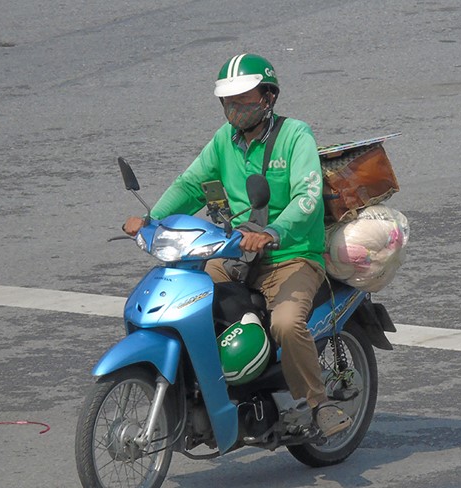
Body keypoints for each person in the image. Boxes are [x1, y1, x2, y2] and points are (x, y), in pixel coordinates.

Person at [122, 53, 351, 437]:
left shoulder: (296, 135)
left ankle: (317, 404)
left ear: (268, 97)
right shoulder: (223, 143)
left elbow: (307, 198)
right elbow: (190, 184)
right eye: (229, 100)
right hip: (233, 251)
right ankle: (208, 391)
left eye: (244, 98)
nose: (236, 108)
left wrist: (273, 231)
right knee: (187, 302)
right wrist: (150, 220)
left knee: (285, 322)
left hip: (291, 256)